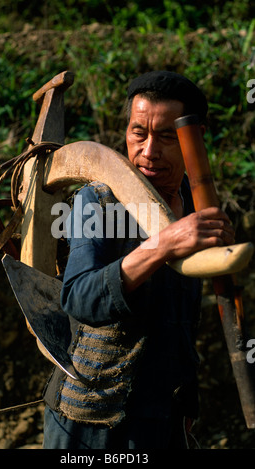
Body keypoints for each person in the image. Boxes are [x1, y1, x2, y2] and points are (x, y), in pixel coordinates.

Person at [42, 71, 235, 449]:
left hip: (162, 418)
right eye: (139, 133)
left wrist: (186, 401)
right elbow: (80, 298)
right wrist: (163, 244)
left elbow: (183, 320)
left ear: (195, 140)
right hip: (92, 423)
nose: (149, 151)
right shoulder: (98, 202)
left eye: (166, 136)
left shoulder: (199, 206)